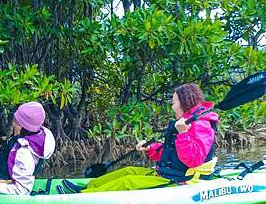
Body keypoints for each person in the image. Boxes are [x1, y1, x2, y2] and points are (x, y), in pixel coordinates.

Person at [82, 83, 219, 193]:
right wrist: (150, 148)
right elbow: (172, 155)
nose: (172, 107)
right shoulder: (185, 122)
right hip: (168, 174)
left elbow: (193, 160)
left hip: (183, 181)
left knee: (128, 181)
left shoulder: (201, 125)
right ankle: (88, 187)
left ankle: (84, 197)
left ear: (185, 103)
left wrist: (183, 134)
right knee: (129, 171)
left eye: (174, 102)